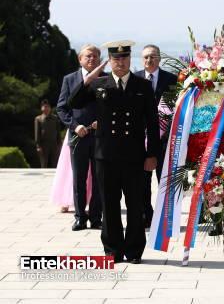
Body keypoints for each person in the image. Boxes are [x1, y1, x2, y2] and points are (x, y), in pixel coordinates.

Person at [69, 40, 160, 264]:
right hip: (105, 156)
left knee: (135, 203)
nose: (120, 63)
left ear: (130, 59)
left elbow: (152, 123)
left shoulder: (142, 86)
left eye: (124, 58)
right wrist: (90, 77)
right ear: (109, 61)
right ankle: (113, 250)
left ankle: (135, 251)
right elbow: (74, 101)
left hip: (134, 156)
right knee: (109, 204)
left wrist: (152, 155)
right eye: (115, 59)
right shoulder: (99, 84)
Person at [57, 44, 104, 231]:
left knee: (100, 179)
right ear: (80, 59)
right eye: (88, 56)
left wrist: (103, 122)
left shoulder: (106, 79)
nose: (91, 59)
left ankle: (96, 217)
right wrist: (75, 126)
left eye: (95, 56)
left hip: (100, 137)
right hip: (79, 137)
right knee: (79, 179)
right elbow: (61, 108)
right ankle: (80, 217)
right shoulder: (69, 79)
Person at [135, 44, 177, 228]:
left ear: (159, 59)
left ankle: (166, 217)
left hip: (164, 139)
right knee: (142, 182)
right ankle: (147, 215)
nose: (149, 60)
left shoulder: (172, 79)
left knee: (165, 180)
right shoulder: (134, 78)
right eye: (145, 57)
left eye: (152, 57)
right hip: (140, 140)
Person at [34, 99, 62, 168]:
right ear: (41, 108)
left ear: (50, 108)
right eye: (44, 106)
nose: (46, 108)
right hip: (44, 144)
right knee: (44, 163)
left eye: (47, 107)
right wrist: (38, 145)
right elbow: (37, 133)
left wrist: (60, 144)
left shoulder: (55, 118)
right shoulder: (38, 119)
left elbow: (58, 131)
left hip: (54, 144)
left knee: (55, 163)